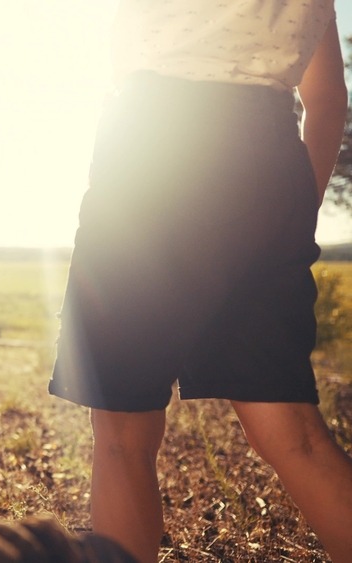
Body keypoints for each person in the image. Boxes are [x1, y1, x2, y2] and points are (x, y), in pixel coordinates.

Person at [48, 2, 352, 562]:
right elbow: (328, 100)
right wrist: (291, 212)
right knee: (295, 434)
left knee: (122, 437)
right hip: (268, 151)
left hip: (152, 146)